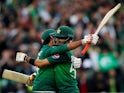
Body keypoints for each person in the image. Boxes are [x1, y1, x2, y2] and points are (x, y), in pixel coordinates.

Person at [16, 26, 99, 93]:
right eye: (56, 38)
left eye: (60, 38)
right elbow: (45, 65)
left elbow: (44, 64)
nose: (57, 40)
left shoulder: (60, 53)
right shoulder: (54, 52)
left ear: (69, 40)